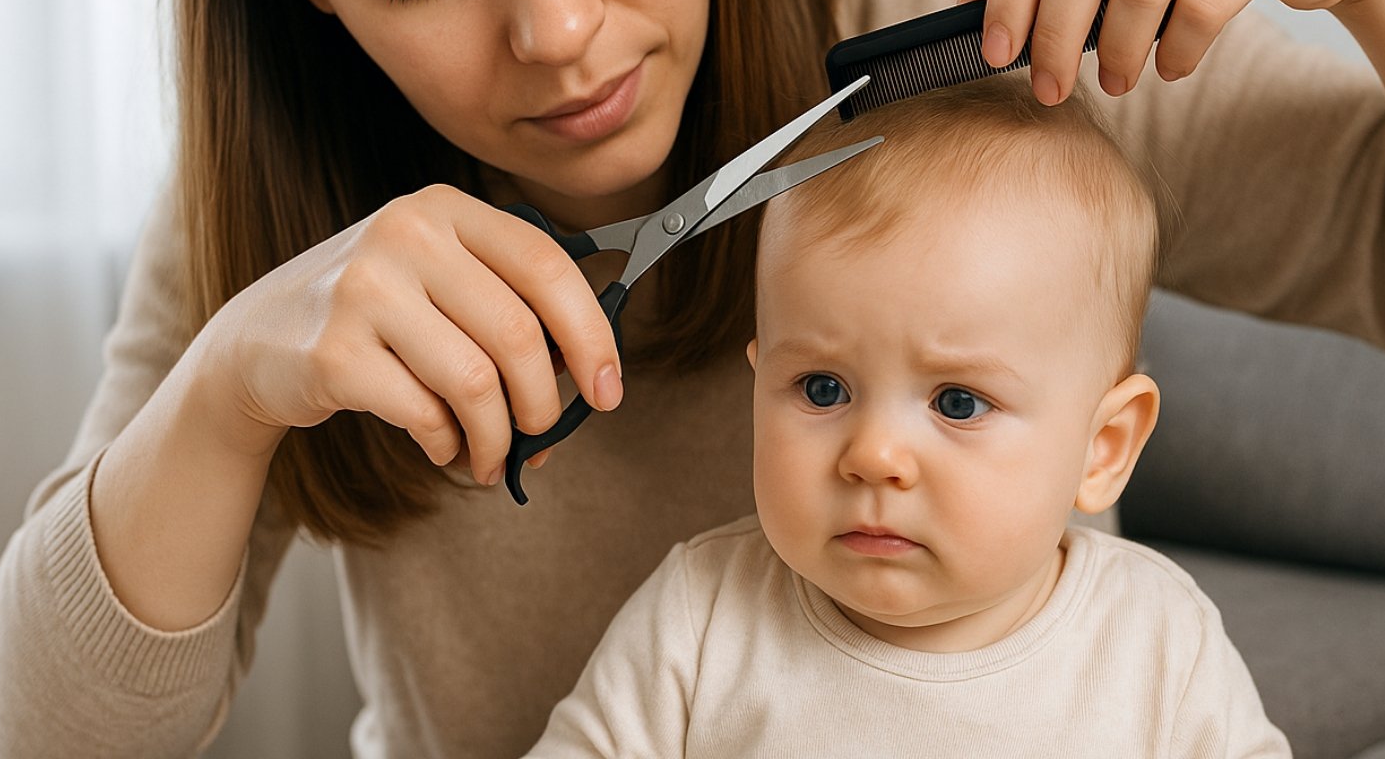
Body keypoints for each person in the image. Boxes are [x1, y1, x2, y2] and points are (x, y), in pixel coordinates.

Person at [0, 0, 1385, 756]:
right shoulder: (277, 196)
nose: (561, 31)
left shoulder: (981, 50)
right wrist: (235, 386)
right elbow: (53, 732)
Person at [527, 75, 1292, 757]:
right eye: (823, 388)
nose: (875, 455)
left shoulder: (1156, 643)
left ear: (1103, 448)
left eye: (958, 402)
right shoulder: (700, 619)